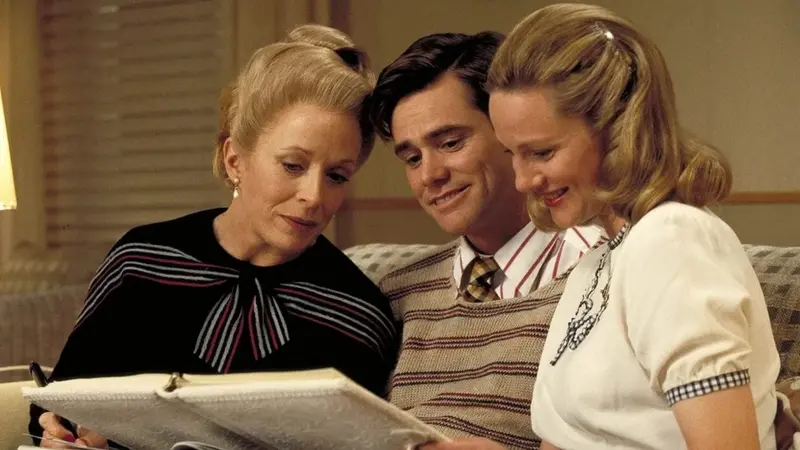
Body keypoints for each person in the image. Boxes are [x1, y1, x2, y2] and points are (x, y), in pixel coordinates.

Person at [424, 3, 783, 450]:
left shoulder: (672, 241)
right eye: (512, 153)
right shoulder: (598, 260)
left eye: (541, 152)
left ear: (618, 130)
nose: (522, 181)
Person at [30, 24, 399, 449]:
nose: (314, 196)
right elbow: (57, 404)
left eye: (336, 176)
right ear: (234, 159)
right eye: (293, 166)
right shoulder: (140, 261)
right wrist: (56, 430)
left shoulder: (358, 315)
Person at [367, 32, 604, 449]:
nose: (430, 175)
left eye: (450, 143)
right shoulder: (396, 294)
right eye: (412, 158)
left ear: (510, 132)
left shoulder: (601, 272)